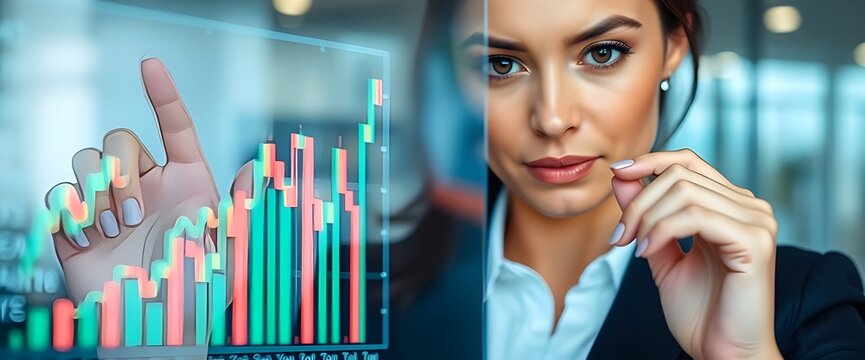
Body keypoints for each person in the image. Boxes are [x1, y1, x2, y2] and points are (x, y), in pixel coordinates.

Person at [453, 0, 865, 358]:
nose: (553, 119)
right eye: (500, 64)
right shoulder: (391, 287)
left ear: (673, 48)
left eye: (601, 54)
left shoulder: (803, 299)